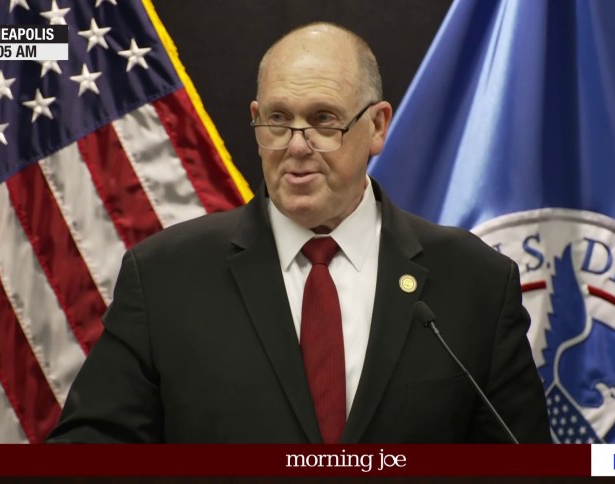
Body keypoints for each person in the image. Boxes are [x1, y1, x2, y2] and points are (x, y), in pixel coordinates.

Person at [48, 22, 550, 443]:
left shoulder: (476, 281)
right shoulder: (165, 277)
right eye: (277, 119)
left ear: (377, 127)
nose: (296, 145)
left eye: (323, 120)